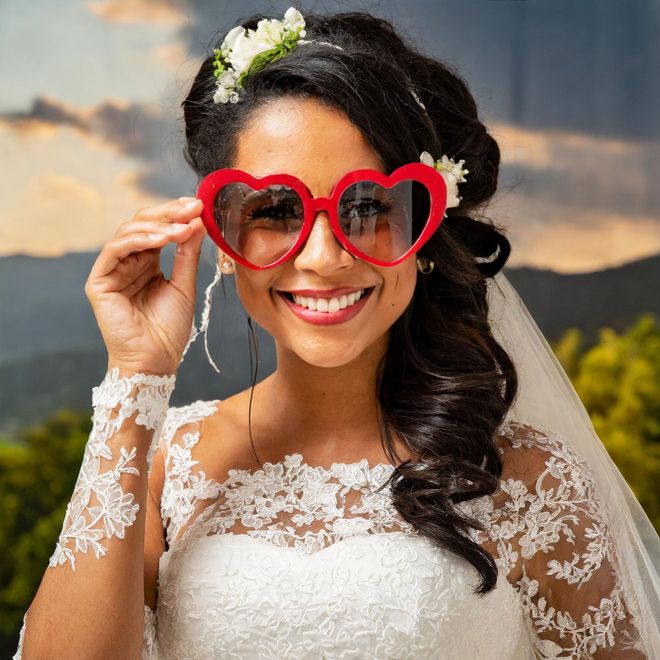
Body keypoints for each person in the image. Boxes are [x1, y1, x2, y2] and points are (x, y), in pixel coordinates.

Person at [13, 7, 659, 659]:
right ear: (224, 234)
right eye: (276, 210)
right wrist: (135, 377)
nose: (324, 256)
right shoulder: (165, 468)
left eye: (365, 206)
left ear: (424, 226)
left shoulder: (528, 480)